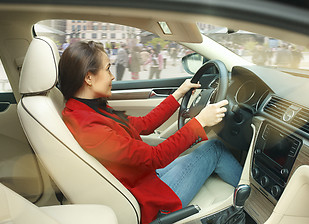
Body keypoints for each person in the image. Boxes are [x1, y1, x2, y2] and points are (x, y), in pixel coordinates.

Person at [58, 41, 243, 224]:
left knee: (211, 147)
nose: (112, 76)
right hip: (151, 203)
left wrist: (178, 94)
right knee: (215, 149)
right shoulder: (89, 126)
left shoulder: (88, 110)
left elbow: (144, 124)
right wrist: (200, 122)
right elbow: (155, 157)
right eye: (107, 69)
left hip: (145, 180)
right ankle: (253, 203)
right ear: (89, 78)